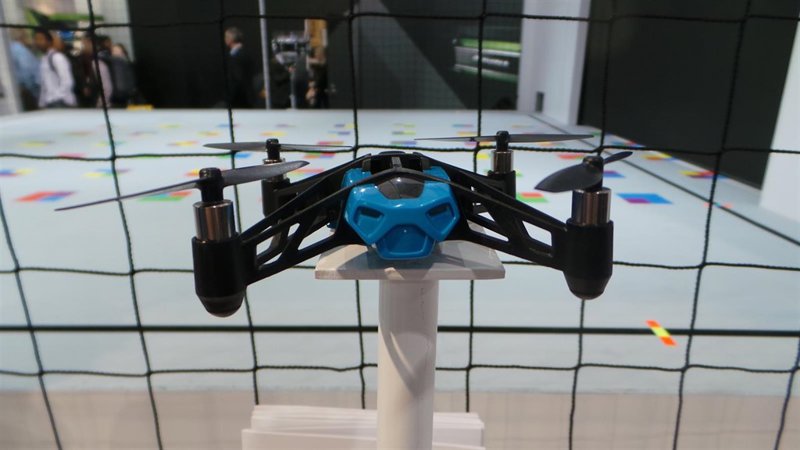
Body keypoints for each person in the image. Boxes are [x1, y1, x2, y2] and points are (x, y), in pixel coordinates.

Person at [33, 28, 76, 108]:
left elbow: (67, 81)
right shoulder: (44, 59)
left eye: (41, 39)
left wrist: (57, 98)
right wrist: (42, 103)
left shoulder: (57, 57)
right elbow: (44, 85)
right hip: (51, 103)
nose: (38, 42)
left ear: (49, 42)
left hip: (61, 103)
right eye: (36, 39)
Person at [223, 27, 256, 108]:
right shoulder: (245, 52)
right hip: (245, 97)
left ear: (231, 39)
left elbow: (238, 78)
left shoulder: (237, 56)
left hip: (240, 100)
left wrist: (231, 97)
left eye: (226, 37)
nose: (225, 39)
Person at [77, 34, 113, 107]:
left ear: (90, 42)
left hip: (103, 106)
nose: (83, 47)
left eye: (84, 44)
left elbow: (107, 88)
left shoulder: (98, 61)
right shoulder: (92, 59)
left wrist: (99, 105)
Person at [9, 29, 40, 110]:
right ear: (23, 36)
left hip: (19, 91)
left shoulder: (9, 48)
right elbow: (27, 71)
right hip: (28, 92)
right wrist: (34, 92)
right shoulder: (20, 49)